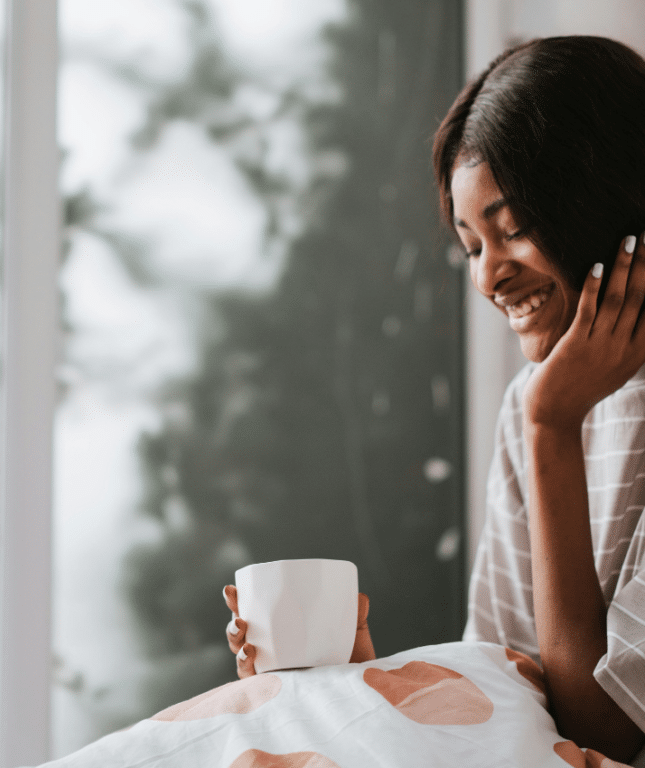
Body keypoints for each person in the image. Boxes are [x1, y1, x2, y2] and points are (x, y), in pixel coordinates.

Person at [224, 36, 645, 764]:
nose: (490, 279)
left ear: (608, 196)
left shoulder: (543, 409)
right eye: (471, 245)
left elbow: (608, 724)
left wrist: (552, 428)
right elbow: (515, 686)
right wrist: (354, 680)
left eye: (513, 230)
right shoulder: (536, 402)